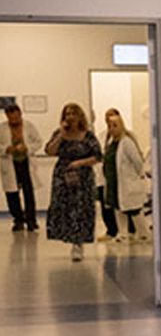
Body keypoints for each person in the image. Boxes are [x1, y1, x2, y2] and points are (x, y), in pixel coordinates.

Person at [44, 103, 101, 262]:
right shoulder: (59, 133)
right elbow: (50, 151)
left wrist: (80, 163)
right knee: (64, 208)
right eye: (67, 114)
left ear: (79, 116)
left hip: (83, 177)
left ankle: (78, 244)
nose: (70, 117)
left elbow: (97, 156)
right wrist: (61, 135)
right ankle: (68, 237)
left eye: (73, 113)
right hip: (62, 177)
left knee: (81, 209)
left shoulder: (88, 136)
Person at [102, 108, 150, 242]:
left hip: (127, 181)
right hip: (114, 181)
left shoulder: (127, 142)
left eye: (115, 126)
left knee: (134, 209)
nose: (112, 129)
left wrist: (136, 176)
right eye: (109, 126)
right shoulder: (111, 143)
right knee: (118, 207)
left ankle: (144, 234)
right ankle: (123, 234)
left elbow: (138, 162)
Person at [2, 104, 42, 232]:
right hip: (10, 163)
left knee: (28, 193)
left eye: (16, 117)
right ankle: (18, 220)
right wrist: (6, 149)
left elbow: (38, 141)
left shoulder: (29, 126)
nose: (14, 120)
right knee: (12, 194)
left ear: (20, 114)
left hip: (25, 163)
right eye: (11, 118)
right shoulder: (2, 128)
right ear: (7, 116)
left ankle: (31, 221)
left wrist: (27, 147)